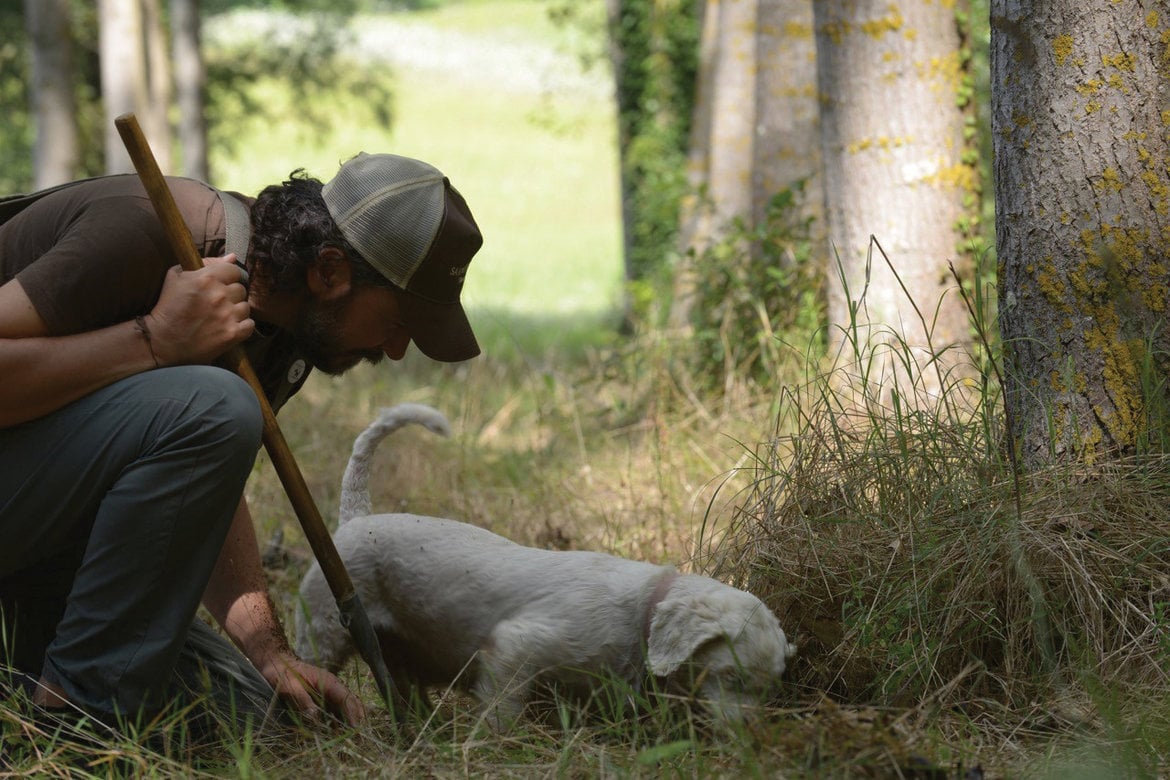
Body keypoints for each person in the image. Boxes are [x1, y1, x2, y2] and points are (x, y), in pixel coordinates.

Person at [0, 152, 484, 737]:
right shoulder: (149, 227)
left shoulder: (284, 326)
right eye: (398, 320)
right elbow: (204, 421)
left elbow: (190, 479)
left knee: (254, 717)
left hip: (39, 545)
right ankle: (74, 724)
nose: (399, 348)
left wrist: (269, 650)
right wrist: (152, 342)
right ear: (330, 272)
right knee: (216, 406)